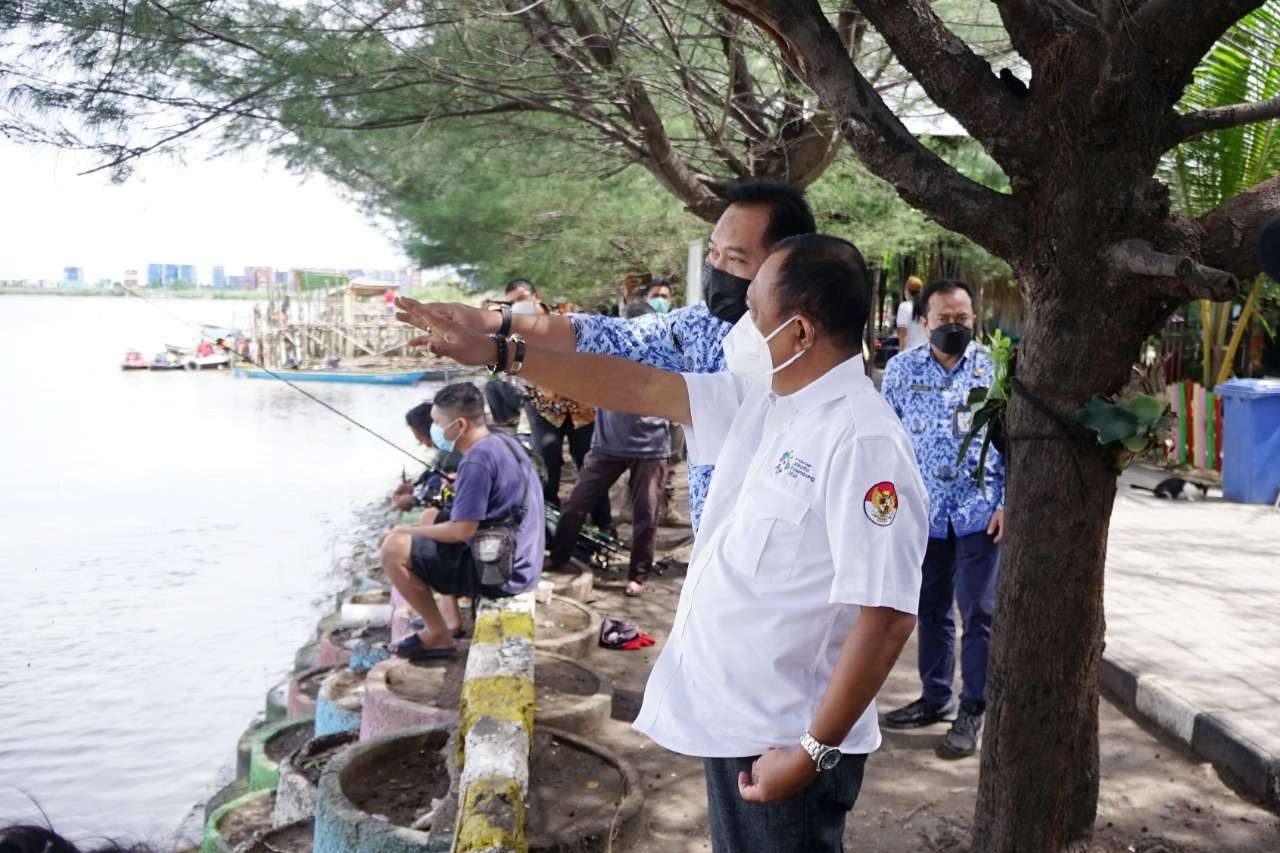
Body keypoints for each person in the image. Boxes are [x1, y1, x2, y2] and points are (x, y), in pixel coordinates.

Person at [412, 234, 926, 853]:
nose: (742, 326)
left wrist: (813, 750)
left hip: (788, 735)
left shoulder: (863, 440)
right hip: (737, 721)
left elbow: (889, 614)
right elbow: (635, 385)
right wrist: (503, 349)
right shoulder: (771, 402)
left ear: (800, 333)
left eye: (756, 312)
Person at [396, 180, 818, 533]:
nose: (718, 268)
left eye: (736, 258)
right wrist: (493, 321)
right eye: (713, 253)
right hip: (718, 559)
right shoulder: (703, 326)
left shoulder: (804, 361)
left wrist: (497, 350)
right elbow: (610, 336)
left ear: (786, 265)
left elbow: (640, 386)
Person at [879, 278, 1006, 759]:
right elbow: (884, 447)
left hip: (980, 511)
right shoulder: (900, 371)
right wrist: (887, 513)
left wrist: (1007, 503)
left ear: (973, 319)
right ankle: (936, 698)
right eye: (944, 319)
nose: (953, 326)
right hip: (921, 515)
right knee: (929, 611)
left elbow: (1014, 442)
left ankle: (973, 707)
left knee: (979, 613)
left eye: (962, 319)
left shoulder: (994, 370)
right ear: (924, 321)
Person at [380, 382, 544, 660]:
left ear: (459, 425)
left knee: (393, 547)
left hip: (503, 573)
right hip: (522, 556)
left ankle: (437, 634)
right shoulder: (502, 441)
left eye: (436, 422)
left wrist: (405, 529)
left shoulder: (476, 461)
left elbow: (462, 530)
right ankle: (450, 617)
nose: (433, 429)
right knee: (431, 515)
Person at [546, 300, 671, 596]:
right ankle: (559, 557)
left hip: (651, 447)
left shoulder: (666, 354)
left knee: (646, 513)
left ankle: (638, 575)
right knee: (576, 503)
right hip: (607, 445)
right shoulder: (607, 348)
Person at [392, 401, 460, 513]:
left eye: (416, 433)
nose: (418, 441)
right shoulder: (448, 446)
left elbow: (443, 485)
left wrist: (414, 500)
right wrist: (414, 485)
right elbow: (435, 471)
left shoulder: (451, 454)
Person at [896, 275, 928, 351]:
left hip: (910, 351)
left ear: (907, 290)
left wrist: (901, 352)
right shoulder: (928, 306)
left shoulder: (904, 307)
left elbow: (903, 333)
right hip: (927, 351)